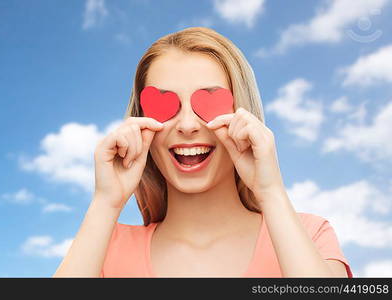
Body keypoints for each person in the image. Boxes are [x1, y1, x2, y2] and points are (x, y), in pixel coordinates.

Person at [53, 27, 352, 277]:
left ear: (243, 116)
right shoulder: (105, 249)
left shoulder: (310, 235)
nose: (186, 125)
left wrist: (270, 191)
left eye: (209, 103)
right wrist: (105, 202)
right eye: (164, 106)